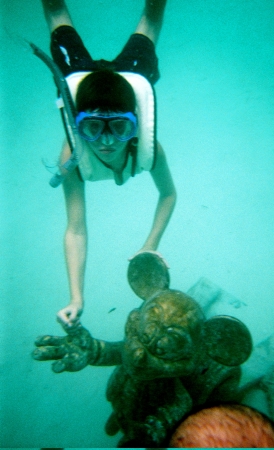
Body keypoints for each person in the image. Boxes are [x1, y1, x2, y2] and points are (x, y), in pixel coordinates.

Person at [40, 0, 176, 330]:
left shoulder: (149, 149)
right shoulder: (71, 159)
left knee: (152, 16)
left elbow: (168, 194)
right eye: (91, 127)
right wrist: (77, 297)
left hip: (127, 78)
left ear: (134, 126)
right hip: (86, 83)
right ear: (78, 126)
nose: (105, 141)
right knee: (55, 10)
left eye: (118, 127)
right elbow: (75, 228)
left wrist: (149, 246)